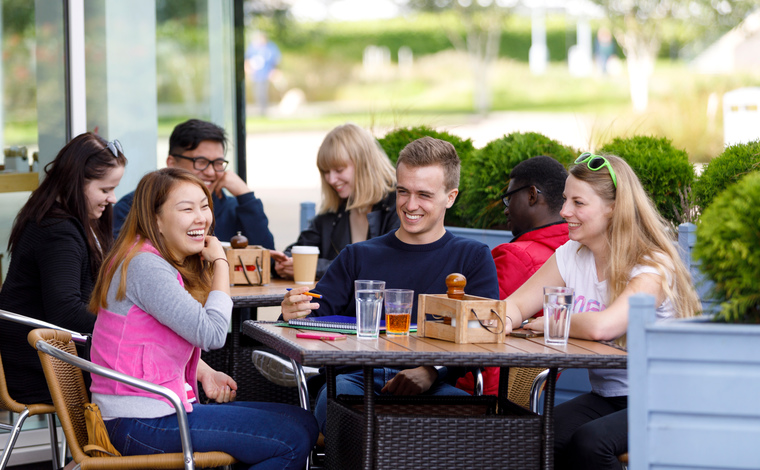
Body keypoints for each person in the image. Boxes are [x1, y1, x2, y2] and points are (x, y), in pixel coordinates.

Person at [89, 168, 318, 468]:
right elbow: (211, 334)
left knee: (303, 421)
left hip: (151, 411)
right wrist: (222, 262)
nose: (202, 218)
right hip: (138, 421)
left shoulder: (149, 258)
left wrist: (203, 372)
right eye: (187, 209)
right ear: (155, 219)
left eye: (204, 206)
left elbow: (154, 337)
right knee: (291, 439)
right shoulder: (145, 266)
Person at [282, 137, 500, 433]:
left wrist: (430, 371)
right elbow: (308, 319)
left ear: (450, 197)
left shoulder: (472, 257)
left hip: (433, 387)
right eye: (403, 192)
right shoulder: (357, 255)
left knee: (478, 426)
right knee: (340, 411)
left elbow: (483, 335)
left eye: (424, 194)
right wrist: (290, 313)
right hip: (355, 379)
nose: (410, 205)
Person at [503, 153, 700, 469]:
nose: (565, 211)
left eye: (578, 203)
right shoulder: (571, 254)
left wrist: (546, 322)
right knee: (536, 435)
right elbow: (514, 304)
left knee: (591, 443)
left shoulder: (651, 267)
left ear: (613, 207)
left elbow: (603, 327)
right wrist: (505, 318)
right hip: (609, 397)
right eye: (566, 199)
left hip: (667, 398)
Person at [0, 133, 126, 404]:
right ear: (76, 183)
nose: (113, 198)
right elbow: (65, 310)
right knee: (151, 372)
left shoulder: (60, 219)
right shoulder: (58, 232)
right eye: (105, 190)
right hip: (40, 365)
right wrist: (126, 329)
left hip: (49, 354)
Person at [456, 155, 569, 396]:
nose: (506, 210)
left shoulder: (515, 257)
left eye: (508, 198)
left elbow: (482, 334)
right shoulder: (574, 256)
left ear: (531, 195)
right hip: (531, 397)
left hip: (484, 396)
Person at [113, 119, 274, 248]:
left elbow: (270, 260)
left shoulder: (235, 208)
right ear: (172, 163)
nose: (211, 172)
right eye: (201, 161)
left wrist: (245, 195)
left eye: (218, 163)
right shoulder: (134, 206)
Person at [272, 123, 399, 280]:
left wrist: (313, 267)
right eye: (325, 172)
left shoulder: (398, 203)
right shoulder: (333, 212)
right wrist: (282, 262)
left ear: (365, 164)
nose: (331, 180)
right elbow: (301, 248)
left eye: (339, 170)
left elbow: (384, 263)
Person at [245, 31, 281, 116]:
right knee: (257, 92)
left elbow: (276, 59)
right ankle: (259, 109)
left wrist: (274, 71)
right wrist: (248, 69)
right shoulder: (252, 47)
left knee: (264, 92)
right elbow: (247, 59)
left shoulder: (271, 47)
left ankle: (264, 110)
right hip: (256, 75)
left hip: (266, 74)